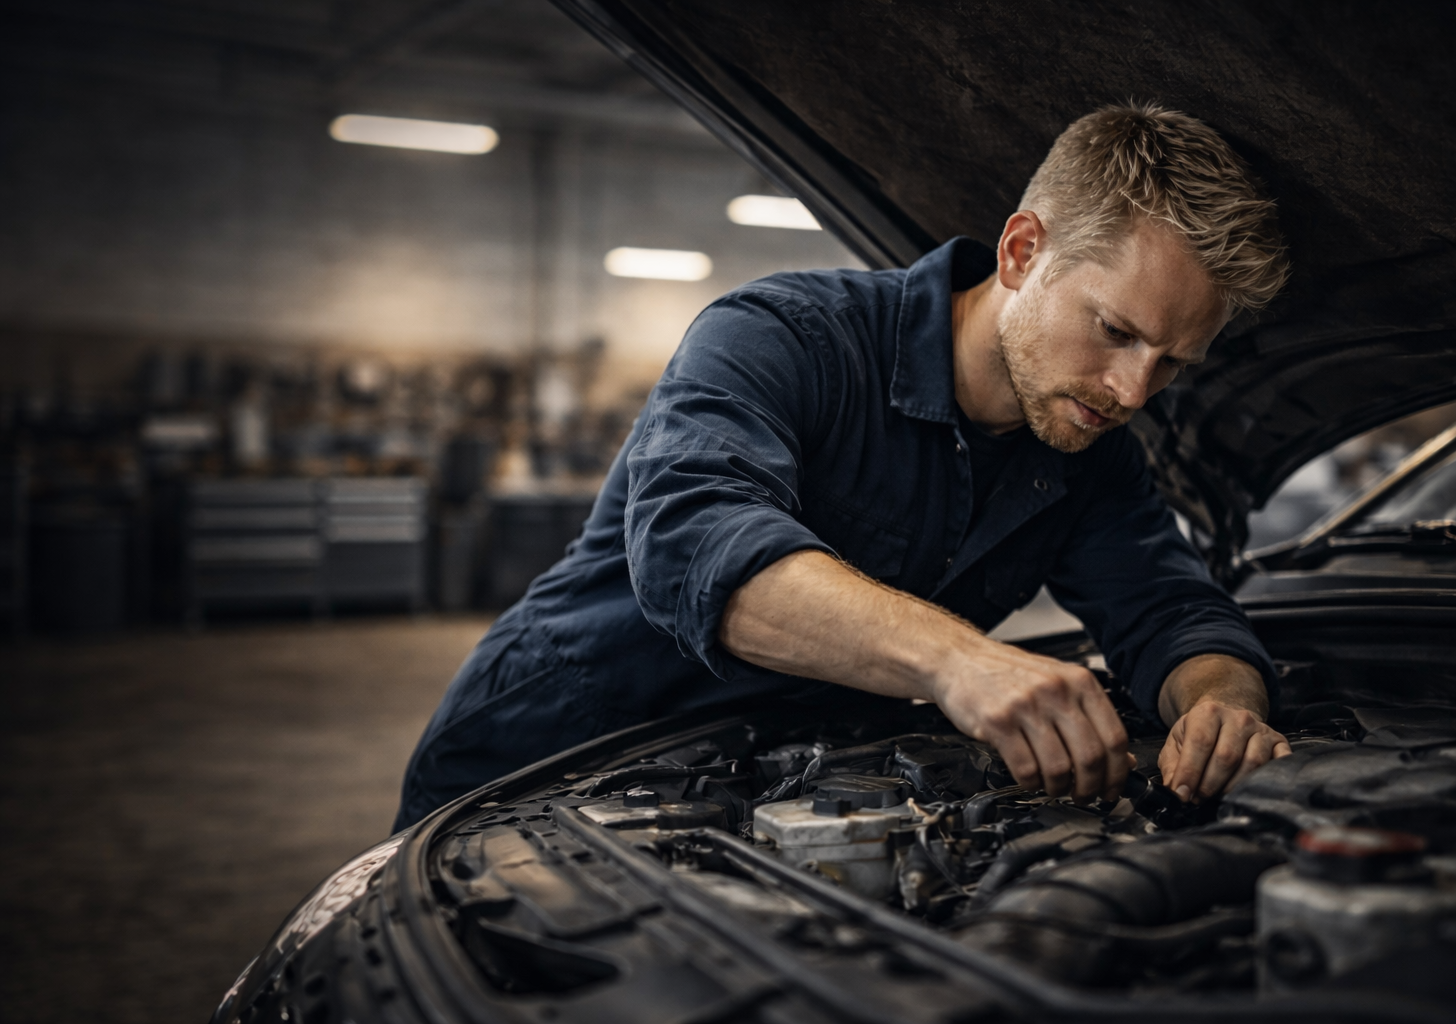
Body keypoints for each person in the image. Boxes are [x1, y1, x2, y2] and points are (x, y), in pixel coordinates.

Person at [393, 102, 1294, 831]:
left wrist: (1222, 705)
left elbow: (1173, 609)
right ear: (1024, 252)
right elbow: (697, 541)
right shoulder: (785, 337)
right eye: (1116, 331)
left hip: (770, 794)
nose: (1134, 390)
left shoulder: (1088, 450)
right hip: (541, 769)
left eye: (1172, 363)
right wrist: (959, 661)